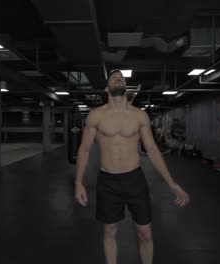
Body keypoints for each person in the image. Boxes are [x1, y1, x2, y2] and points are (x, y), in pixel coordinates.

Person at [74, 69, 190, 264]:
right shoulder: (95, 116)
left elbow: (152, 150)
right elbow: (84, 149)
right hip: (107, 180)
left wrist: (172, 183)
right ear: (107, 88)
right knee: (110, 230)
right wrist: (78, 182)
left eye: (121, 78)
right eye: (114, 77)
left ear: (126, 87)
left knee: (145, 232)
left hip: (134, 179)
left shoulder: (139, 116)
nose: (118, 79)